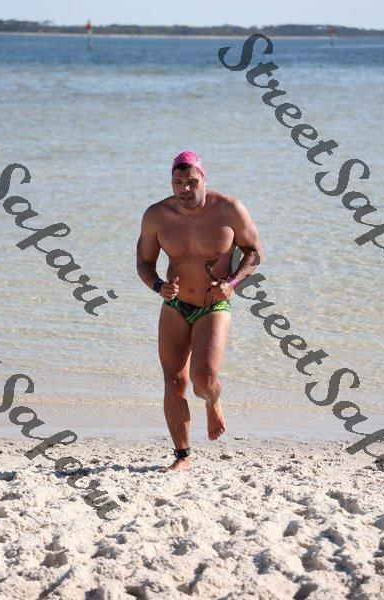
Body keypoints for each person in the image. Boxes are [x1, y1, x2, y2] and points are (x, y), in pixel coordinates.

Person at [136, 150, 264, 471]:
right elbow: (144, 263)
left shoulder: (229, 210)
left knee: (203, 380)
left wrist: (232, 283)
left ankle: (212, 400)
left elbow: (254, 252)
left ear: (204, 179)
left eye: (192, 181)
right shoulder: (157, 215)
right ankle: (182, 456)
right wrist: (158, 286)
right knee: (173, 381)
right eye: (178, 182)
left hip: (214, 303)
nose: (185, 189)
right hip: (175, 305)